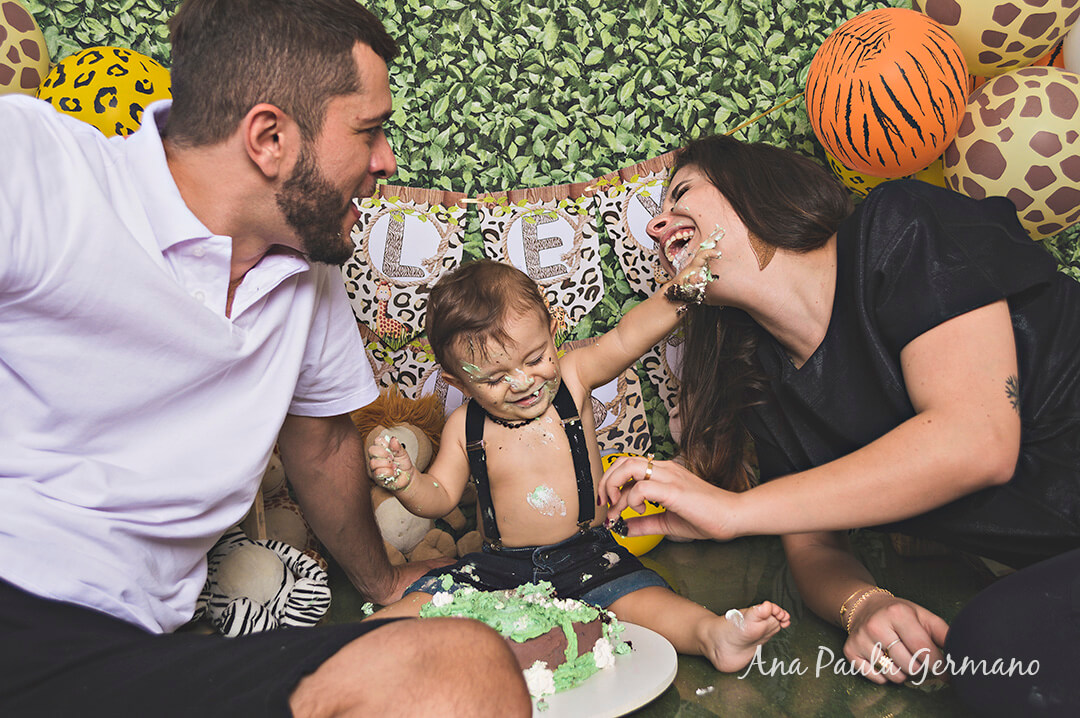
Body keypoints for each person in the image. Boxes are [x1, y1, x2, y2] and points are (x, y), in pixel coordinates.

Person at [0, 1, 531, 715]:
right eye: (369, 131)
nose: (387, 161)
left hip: (135, 652)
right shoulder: (39, 166)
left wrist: (383, 584)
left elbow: (320, 445)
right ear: (269, 138)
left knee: (463, 666)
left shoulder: (306, 277)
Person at [598, 133, 1080, 715]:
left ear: (755, 186)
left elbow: (977, 442)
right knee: (996, 654)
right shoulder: (762, 382)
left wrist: (733, 512)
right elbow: (812, 540)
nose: (656, 227)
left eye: (681, 194)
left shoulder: (900, 222)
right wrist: (864, 603)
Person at [366, 258, 791, 672]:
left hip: (588, 556)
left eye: (534, 359)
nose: (523, 383)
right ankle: (350, 649)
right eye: (494, 379)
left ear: (553, 332)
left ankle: (712, 634)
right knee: (427, 603)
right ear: (459, 382)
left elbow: (629, 336)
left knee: (642, 600)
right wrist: (407, 482)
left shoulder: (573, 379)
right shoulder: (464, 426)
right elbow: (438, 498)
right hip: (499, 566)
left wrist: (679, 292)